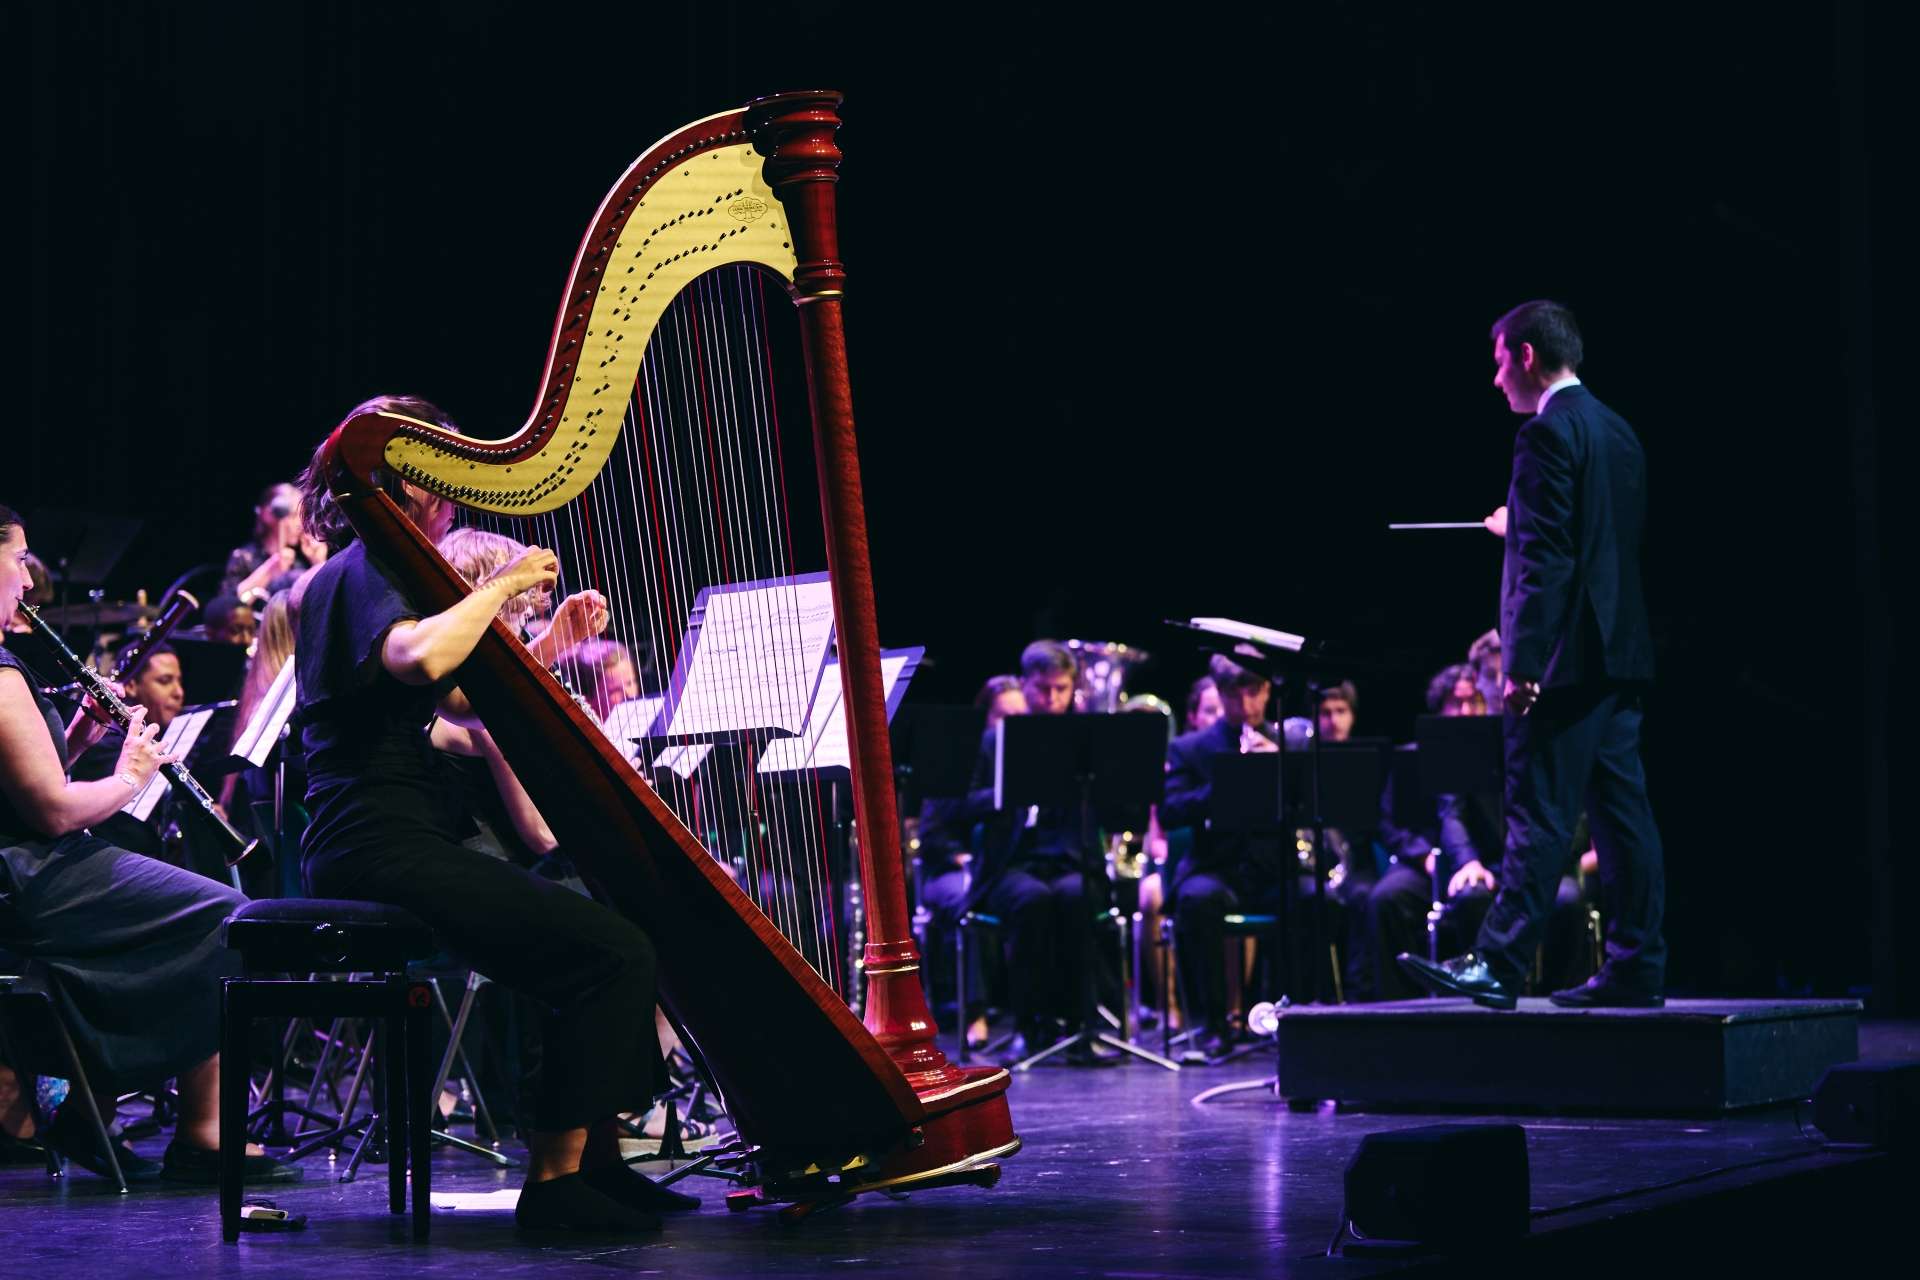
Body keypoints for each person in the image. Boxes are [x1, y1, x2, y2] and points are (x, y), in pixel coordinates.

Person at [292, 396, 687, 1234]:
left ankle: (598, 1165)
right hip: (379, 841)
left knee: (592, 934)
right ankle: (553, 1186)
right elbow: (421, 656)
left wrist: (550, 644)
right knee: (610, 950)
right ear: (408, 477)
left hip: (383, 836)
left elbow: (461, 698)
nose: (455, 490)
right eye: (442, 470)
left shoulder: (367, 568)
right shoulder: (368, 565)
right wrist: (502, 585)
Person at [0, 501, 297, 1186]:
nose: (29, 580)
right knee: (229, 918)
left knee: (198, 919)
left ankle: (89, 1100)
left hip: (26, 870)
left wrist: (79, 733)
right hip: (31, 877)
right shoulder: (3, 674)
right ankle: (198, 1132)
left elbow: (25, 788)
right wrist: (130, 775)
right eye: (18, 559)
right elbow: (52, 812)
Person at [1400, 300, 1664, 1009]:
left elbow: (1547, 561)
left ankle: (1498, 964)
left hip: (1565, 662)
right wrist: (1519, 521)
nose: (1495, 381)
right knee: (1623, 815)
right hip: (1619, 654)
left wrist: (1522, 662)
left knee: (1538, 810)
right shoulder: (1618, 429)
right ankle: (1638, 965)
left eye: (1497, 364)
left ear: (1524, 355)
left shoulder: (1543, 433)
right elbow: (1595, 537)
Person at [962, 640, 1094, 1061]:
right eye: (1042, 689)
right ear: (1025, 685)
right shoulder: (992, 742)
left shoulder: (1084, 741)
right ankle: (1028, 1023)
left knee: (1077, 896)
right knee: (1032, 900)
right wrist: (1007, 791)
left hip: (1068, 859)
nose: (1052, 699)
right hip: (1010, 865)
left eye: (1061, 689)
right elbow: (961, 804)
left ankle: (1080, 1026)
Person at [1161, 655, 1287, 1057]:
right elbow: (1171, 811)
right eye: (1234, 695)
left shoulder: (1290, 742)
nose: (1245, 705)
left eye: (1254, 692)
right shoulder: (1190, 748)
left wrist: (1280, 768)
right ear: (1221, 693)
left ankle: (1293, 1018)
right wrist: (1232, 779)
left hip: (1272, 868)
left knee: (1315, 900)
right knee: (1197, 901)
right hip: (1215, 866)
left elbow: (1313, 806)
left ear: (1267, 691)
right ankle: (1215, 1023)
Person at [224, 483, 327, 609]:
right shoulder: (244, 558)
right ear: (268, 515)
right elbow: (225, 608)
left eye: (301, 516)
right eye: (293, 516)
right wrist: (270, 570)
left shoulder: (299, 562)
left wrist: (318, 562)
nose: (300, 524)